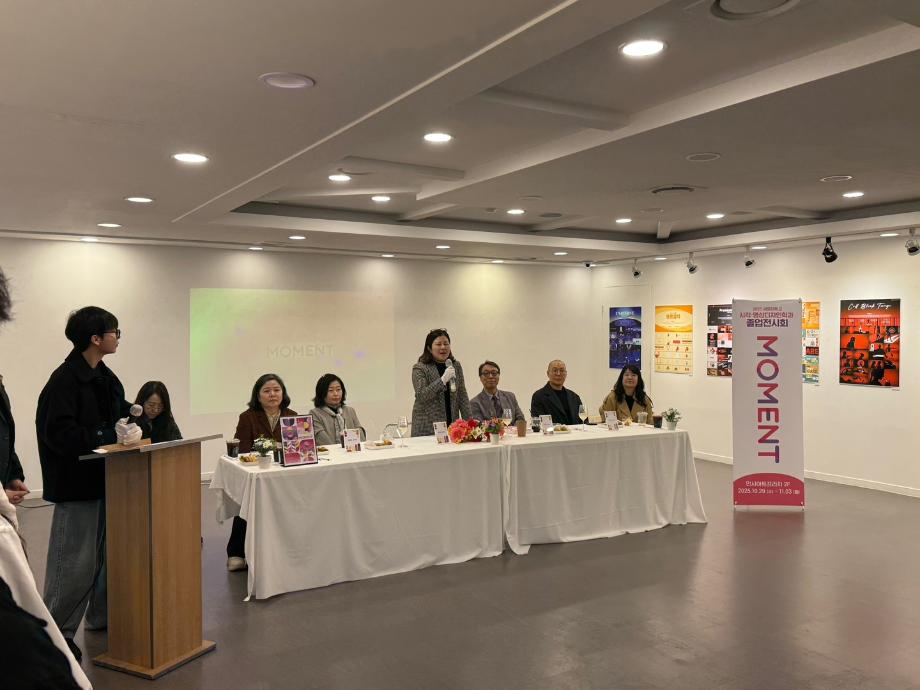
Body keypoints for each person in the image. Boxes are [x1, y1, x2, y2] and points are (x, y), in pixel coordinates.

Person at [36, 306, 139, 662]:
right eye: (114, 332)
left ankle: (100, 618)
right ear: (95, 339)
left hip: (109, 481)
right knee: (73, 564)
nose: (118, 337)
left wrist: (136, 425)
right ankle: (55, 637)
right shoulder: (64, 381)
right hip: (77, 486)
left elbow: (122, 412)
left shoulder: (105, 378)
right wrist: (108, 435)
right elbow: (59, 435)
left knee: (104, 559)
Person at [226, 374, 297, 571]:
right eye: (267, 391)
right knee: (245, 503)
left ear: (283, 393)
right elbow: (243, 449)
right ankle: (236, 552)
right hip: (256, 474)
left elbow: (295, 447)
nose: (272, 394)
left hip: (283, 474)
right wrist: (270, 449)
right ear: (258, 396)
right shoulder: (247, 417)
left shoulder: (291, 415)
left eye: (276, 390)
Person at [411, 328, 471, 436]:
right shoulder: (420, 368)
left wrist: (470, 424)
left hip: (452, 425)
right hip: (427, 427)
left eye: (446, 344)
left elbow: (462, 395)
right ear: (429, 348)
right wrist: (442, 380)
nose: (443, 347)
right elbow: (421, 395)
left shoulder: (455, 366)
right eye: (438, 344)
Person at [309, 374, 363, 446]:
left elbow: (361, 437)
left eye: (338, 389)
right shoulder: (315, 414)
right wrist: (340, 450)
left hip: (353, 452)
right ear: (321, 393)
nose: (336, 394)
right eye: (330, 390)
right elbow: (322, 440)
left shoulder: (350, 411)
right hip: (330, 452)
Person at [530, 359, 583, 426]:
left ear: (566, 374)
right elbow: (537, 425)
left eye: (562, 371)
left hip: (576, 433)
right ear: (548, 373)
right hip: (551, 432)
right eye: (555, 370)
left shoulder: (574, 397)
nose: (558, 374)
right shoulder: (538, 396)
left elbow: (584, 420)